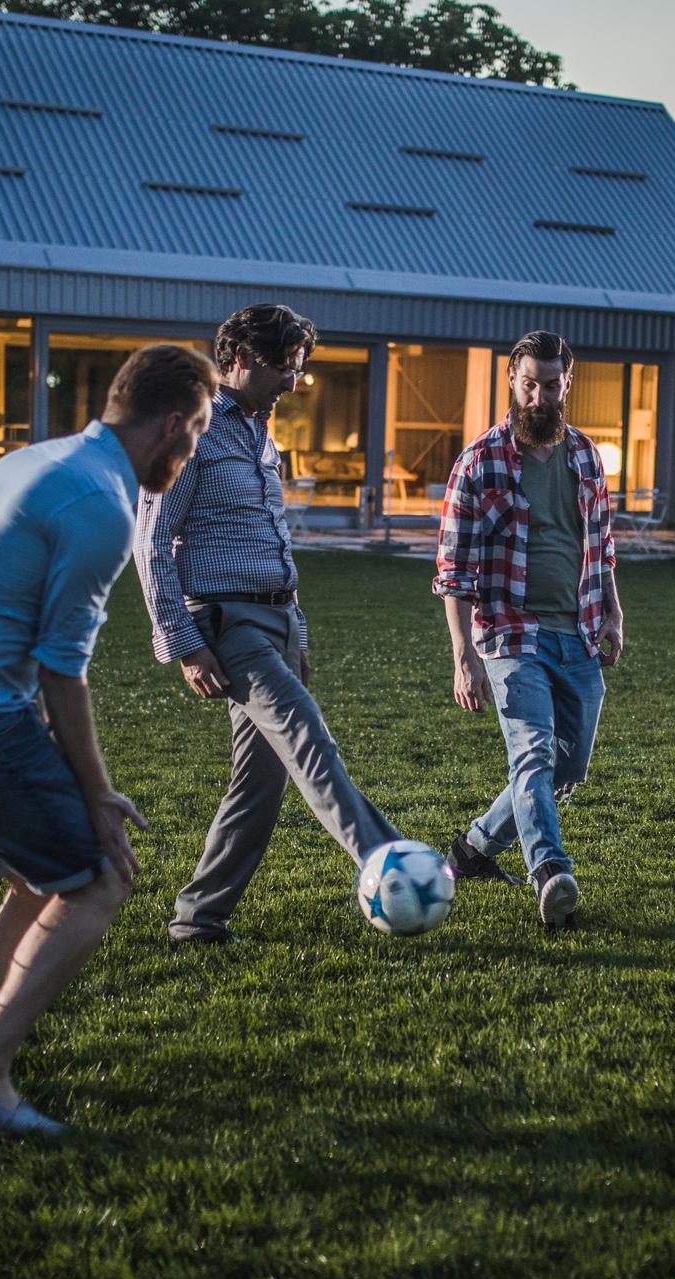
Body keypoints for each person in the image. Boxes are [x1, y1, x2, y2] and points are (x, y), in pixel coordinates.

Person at [0, 343, 218, 1137]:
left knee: (36, 882)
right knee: (98, 880)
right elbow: (65, 673)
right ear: (170, 425)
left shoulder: (44, 460)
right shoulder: (101, 504)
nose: (193, 450)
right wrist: (96, 794)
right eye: (195, 432)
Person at [136, 303, 402, 945]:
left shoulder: (262, 434)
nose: (294, 381)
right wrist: (185, 645)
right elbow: (151, 541)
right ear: (241, 361)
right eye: (285, 367)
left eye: (300, 368)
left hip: (277, 620)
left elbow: (273, 538)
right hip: (228, 627)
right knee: (310, 741)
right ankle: (394, 865)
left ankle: (198, 918)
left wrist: (298, 633)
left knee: (259, 785)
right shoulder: (192, 433)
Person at [435, 331, 624, 929]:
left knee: (566, 767)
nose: (538, 396)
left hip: (581, 631)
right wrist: (463, 655)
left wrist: (613, 611)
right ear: (512, 383)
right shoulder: (480, 461)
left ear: (568, 384)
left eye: (550, 384)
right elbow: (452, 569)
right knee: (534, 753)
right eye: (528, 384)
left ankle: (471, 849)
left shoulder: (588, 456)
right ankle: (551, 872)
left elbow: (601, 544)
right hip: (511, 633)